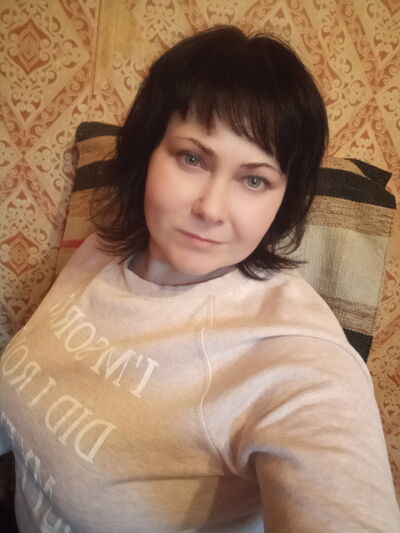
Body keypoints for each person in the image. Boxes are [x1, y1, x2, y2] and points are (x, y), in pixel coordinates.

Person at [0, 25, 398, 533]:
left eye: (254, 179)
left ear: (284, 198)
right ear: (147, 151)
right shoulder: (102, 250)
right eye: (192, 158)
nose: (211, 209)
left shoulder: (298, 359)